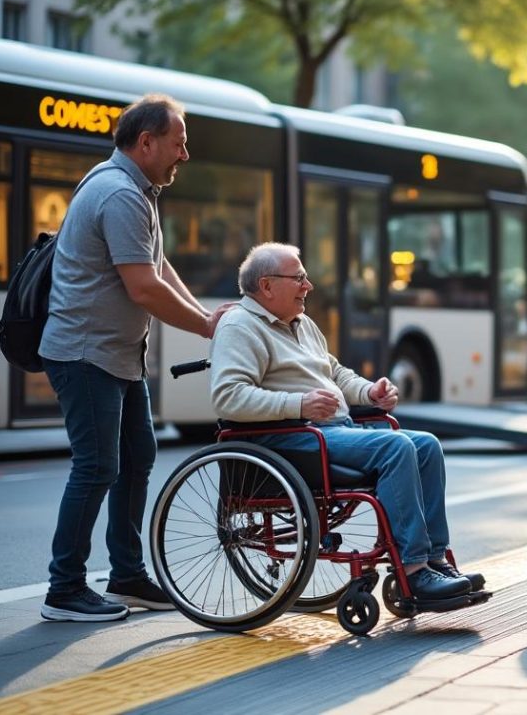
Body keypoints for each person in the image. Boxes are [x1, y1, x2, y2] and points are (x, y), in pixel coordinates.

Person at [37, 94, 235, 623]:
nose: (184, 156)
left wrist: (207, 317)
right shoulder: (119, 193)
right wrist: (204, 327)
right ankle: (65, 589)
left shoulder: (135, 191)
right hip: (86, 354)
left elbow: (158, 264)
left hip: (118, 356)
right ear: (146, 143)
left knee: (136, 459)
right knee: (98, 465)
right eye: (179, 144)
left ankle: (126, 575)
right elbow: (144, 288)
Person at [210, 242, 483, 604]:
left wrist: (370, 393)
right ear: (267, 285)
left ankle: (434, 560)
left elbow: (334, 374)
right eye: (299, 278)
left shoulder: (302, 324)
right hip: (289, 437)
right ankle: (414, 573)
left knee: (426, 445)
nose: (308, 286)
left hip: (332, 430)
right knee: (396, 446)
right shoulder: (240, 327)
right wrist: (299, 403)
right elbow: (228, 397)